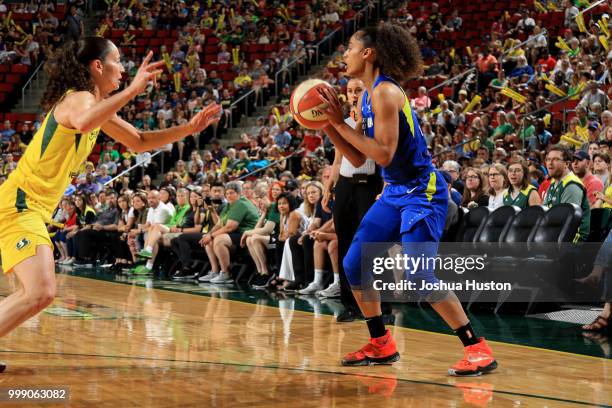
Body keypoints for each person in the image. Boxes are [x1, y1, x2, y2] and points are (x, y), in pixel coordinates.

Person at [0, 36, 220, 372]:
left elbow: (139, 141)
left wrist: (189, 128)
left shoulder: (93, 106)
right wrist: (132, 90)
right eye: (117, 60)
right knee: (41, 291)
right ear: (97, 66)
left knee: (38, 292)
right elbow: (85, 121)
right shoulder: (79, 100)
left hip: (27, 208)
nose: (124, 68)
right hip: (20, 206)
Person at [318, 23, 497, 375]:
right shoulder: (367, 95)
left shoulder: (385, 93)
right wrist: (328, 124)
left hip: (422, 193)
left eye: (351, 47)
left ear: (368, 53)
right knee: (354, 265)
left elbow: (383, 154)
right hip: (395, 192)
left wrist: (339, 125)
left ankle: (478, 348)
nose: (346, 53)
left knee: (418, 278)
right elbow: (357, 159)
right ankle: (380, 343)